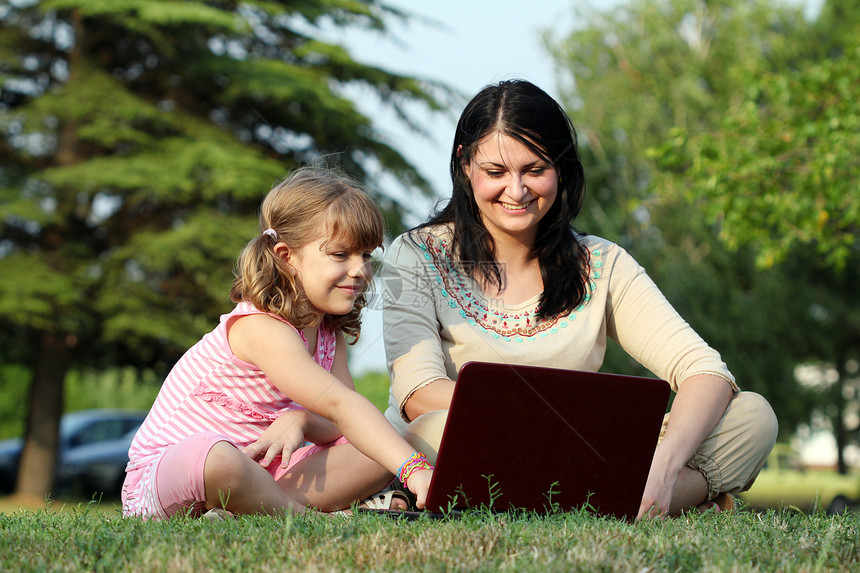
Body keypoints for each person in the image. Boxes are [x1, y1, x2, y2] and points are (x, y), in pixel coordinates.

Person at [379, 80, 777, 519]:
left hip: (582, 451)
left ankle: (645, 493)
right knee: (429, 429)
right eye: (495, 173)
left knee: (752, 418)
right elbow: (417, 393)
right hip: (473, 443)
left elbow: (705, 372)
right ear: (464, 164)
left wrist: (662, 468)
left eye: (535, 170)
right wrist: (551, 429)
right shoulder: (416, 254)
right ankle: (646, 503)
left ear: (561, 168)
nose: (517, 190)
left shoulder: (602, 263)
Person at [122, 166, 433, 520]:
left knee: (377, 447)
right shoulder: (261, 327)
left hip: (262, 474)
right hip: (173, 476)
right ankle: (307, 518)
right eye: (340, 255)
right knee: (216, 457)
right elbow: (338, 403)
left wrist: (302, 420)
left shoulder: (329, 335)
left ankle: (244, 512)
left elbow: (340, 423)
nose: (360, 269)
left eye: (365, 255)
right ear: (287, 257)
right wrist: (415, 470)